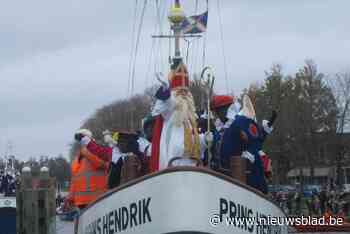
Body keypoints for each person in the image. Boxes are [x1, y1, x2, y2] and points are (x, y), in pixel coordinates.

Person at [150, 59, 201, 171]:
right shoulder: (172, 104)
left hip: (190, 159)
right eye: (180, 91)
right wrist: (165, 88)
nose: (184, 94)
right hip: (173, 157)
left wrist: (205, 139)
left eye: (186, 92)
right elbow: (167, 100)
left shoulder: (191, 112)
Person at [69, 129, 110, 209]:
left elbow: (74, 182)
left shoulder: (77, 161)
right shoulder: (81, 159)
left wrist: (70, 198)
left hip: (84, 202)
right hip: (96, 199)